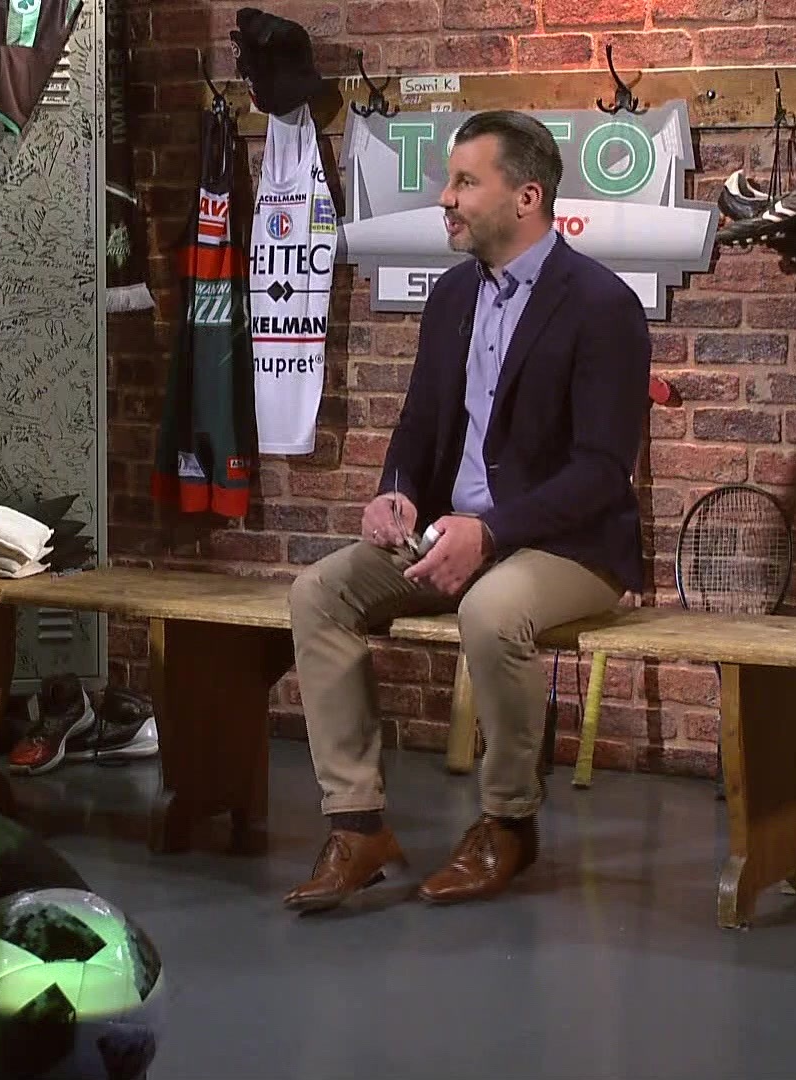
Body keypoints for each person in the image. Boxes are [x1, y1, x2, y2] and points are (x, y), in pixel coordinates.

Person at [283, 110, 651, 912]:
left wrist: (491, 532)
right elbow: (419, 426)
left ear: (526, 197)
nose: (445, 199)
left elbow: (601, 472)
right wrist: (395, 489)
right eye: (448, 182)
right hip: (456, 532)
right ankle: (356, 824)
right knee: (319, 592)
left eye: (464, 182)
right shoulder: (452, 295)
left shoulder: (602, 304)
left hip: (572, 546)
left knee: (491, 610)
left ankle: (508, 823)